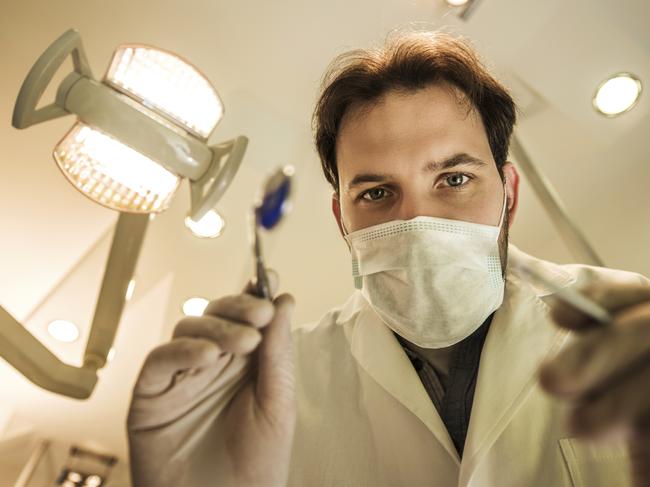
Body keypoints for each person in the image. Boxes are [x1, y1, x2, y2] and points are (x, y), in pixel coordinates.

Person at [126, 31, 650, 487]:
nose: (418, 223)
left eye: (455, 179)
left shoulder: (625, 330)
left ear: (509, 194)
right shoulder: (281, 387)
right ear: (342, 220)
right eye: (377, 193)